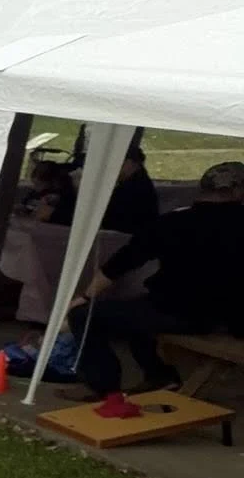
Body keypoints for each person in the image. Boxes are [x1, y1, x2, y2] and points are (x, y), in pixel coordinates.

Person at [68, 160, 244, 400]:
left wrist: (85, 297)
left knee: (85, 315)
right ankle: (159, 375)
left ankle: (103, 386)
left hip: (184, 313)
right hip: (229, 316)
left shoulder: (174, 223)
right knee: (138, 309)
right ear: (238, 192)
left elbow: (123, 262)